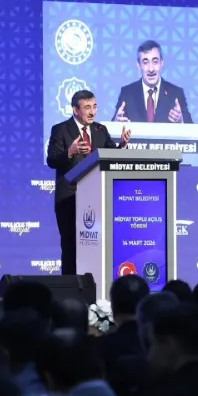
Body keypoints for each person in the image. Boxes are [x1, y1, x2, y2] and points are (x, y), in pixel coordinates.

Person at [46, 89, 131, 275]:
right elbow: (51, 160)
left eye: (94, 106)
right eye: (87, 107)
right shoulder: (60, 129)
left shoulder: (101, 130)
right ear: (75, 110)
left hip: (96, 198)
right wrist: (70, 152)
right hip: (69, 198)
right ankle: (70, 287)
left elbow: (110, 156)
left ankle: (94, 285)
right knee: (71, 247)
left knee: (95, 246)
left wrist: (122, 146)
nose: (92, 112)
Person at [113, 40, 192, 123]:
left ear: (161, 64)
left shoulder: (176, 93)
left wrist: (181, 121)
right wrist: (116, 122)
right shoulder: (127, 93)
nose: (151, 69)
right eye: (145, 62)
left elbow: (192, 127)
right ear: (139, 66)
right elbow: (110, 127)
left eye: (155, 62)